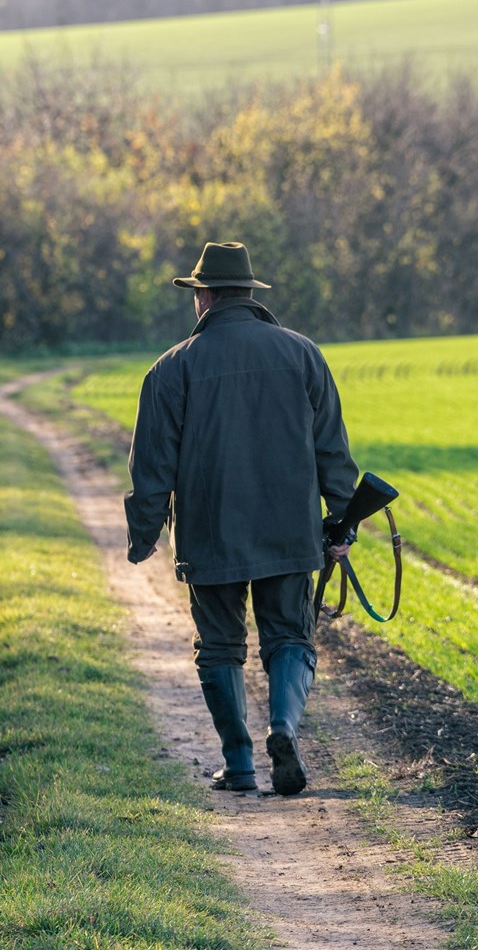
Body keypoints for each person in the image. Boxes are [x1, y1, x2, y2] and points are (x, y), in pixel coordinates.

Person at [125, 241, 358, 796]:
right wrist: (342, 519)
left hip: (210, 534)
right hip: (289, 530)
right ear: (250, 294)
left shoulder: (170, 368)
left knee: (220, 646)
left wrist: (144, 533)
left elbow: (152, 465)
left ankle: (240, 764)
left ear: (202, 296)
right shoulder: (304, 355)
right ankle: (283, 727)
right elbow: (332, 451)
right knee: (289, 637)